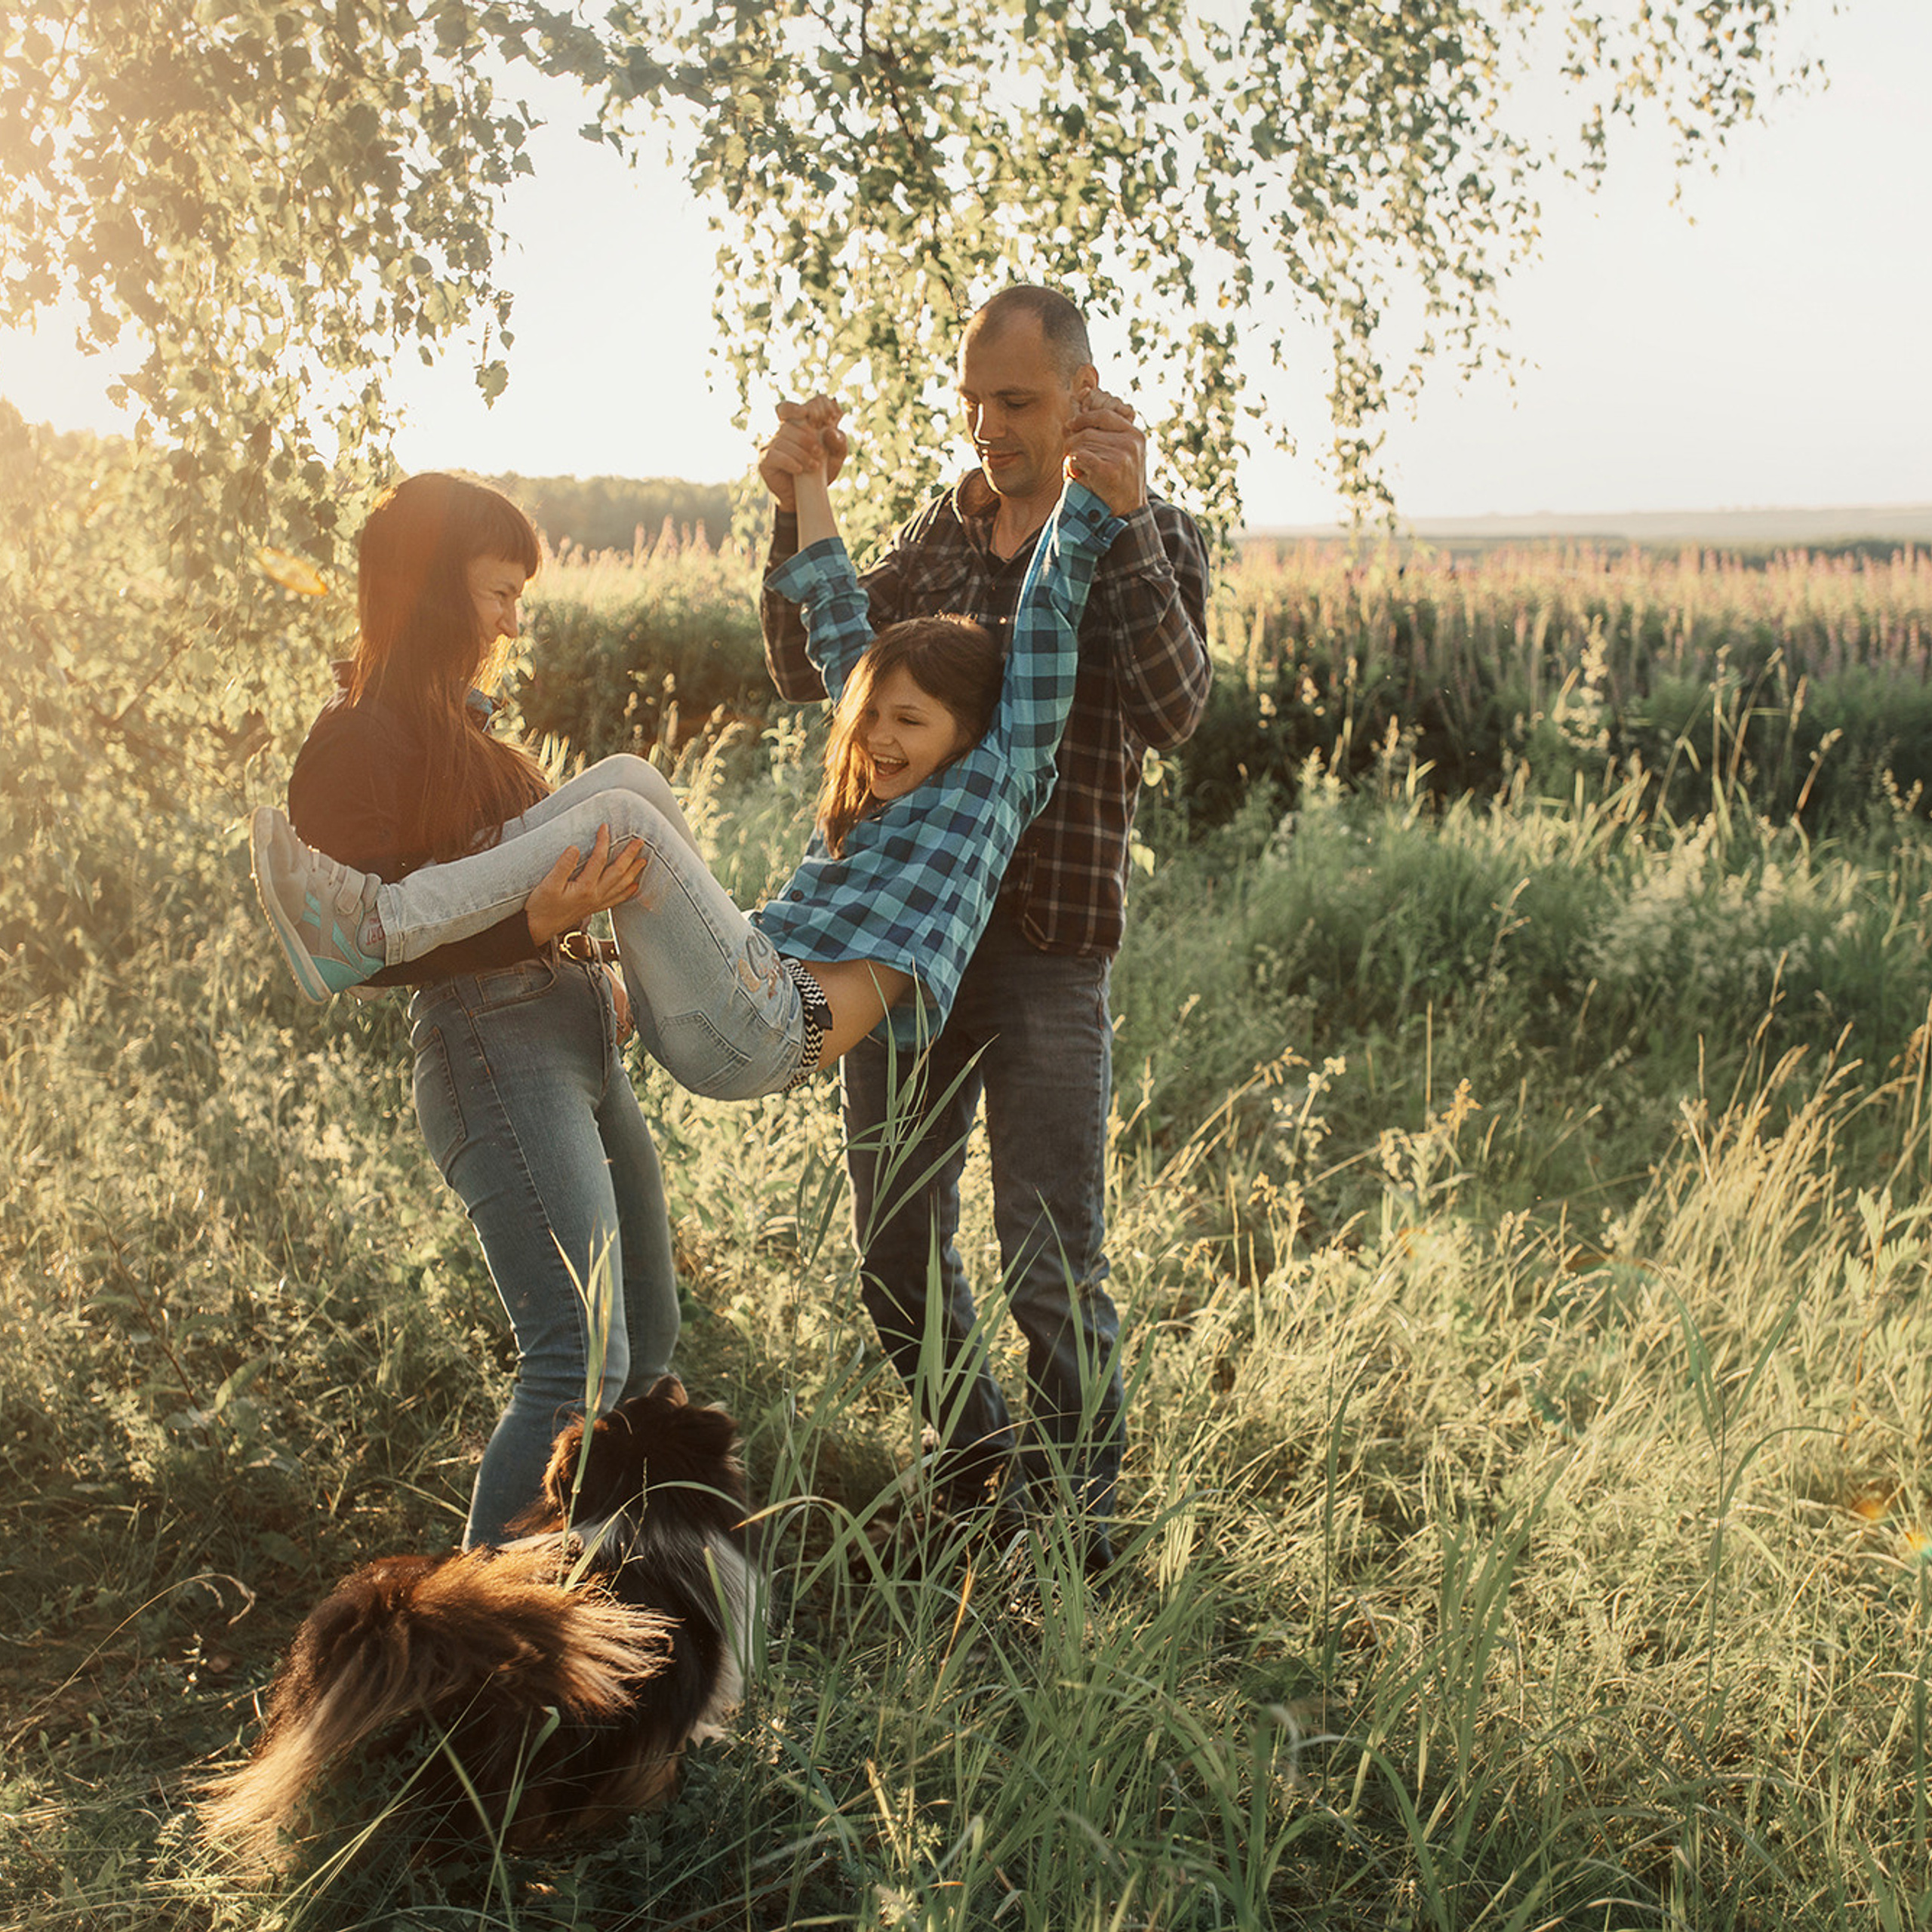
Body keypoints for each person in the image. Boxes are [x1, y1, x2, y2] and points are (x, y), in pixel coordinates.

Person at [255, 413, 1135, 1110]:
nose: (878, 741)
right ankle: (397, 917)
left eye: (909, 721)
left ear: (975, 728)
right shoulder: (886, 764)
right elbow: (834, 610)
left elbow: (1051, 613)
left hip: (772, 1024)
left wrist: (1087, 498)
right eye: (873, 718)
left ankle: (376, 927)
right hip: (734, 995)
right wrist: (807, 483)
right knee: (630, 778)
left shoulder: (996, 771)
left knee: (626, 818)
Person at [758, 286, 1212, 1571]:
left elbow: (1178, 707)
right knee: (895, 1248)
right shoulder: (938, 534)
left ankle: (1077, 1540)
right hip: (900, 948)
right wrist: (793, 499)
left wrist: (1115, 531)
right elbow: (816, 665)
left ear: (1079, 396)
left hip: (1049, 950)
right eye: (974, 400)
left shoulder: (1151, 530)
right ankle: (976, 1480)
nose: (987, 426)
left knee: (1050, 1262)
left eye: (1014, 401)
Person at [275, 472, 681, 1550]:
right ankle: (483, 1661)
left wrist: (590, 944)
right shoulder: (355, 738)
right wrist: (527, 931)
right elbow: (360, 943)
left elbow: (514, 894)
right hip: (492, 1050)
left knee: (642, 1352)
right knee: (573, 1357)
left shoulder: (468, 731)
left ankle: (602, 1617)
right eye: (499, 592)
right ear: (433, 586)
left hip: (577, 1035)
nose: (511, 620)